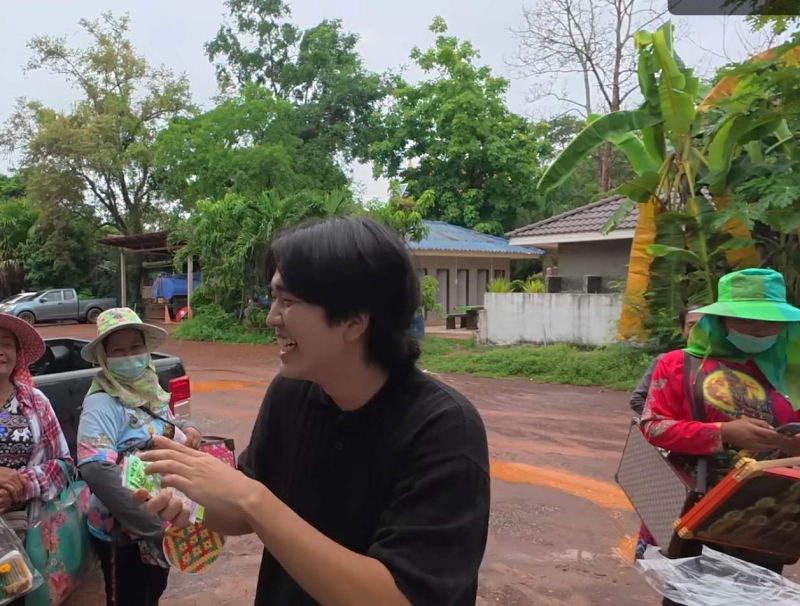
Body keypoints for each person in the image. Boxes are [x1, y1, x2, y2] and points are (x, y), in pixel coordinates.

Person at [135, 216, 491, 606]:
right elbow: (243, 511)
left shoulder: (444, 430)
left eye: (288, 302)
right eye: (273, 299)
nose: (271, 318)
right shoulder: (290, 394)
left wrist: (252, 498)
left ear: (354, 321)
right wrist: (188, 499)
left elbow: (397, 597)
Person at [638, 268, 800, 606]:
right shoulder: (678, 365)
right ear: (722, 320)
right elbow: (653, 427)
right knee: (687, 600)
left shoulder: (792, 373)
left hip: (766, 517)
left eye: (771, 322)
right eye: (747, 320)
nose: (760, 330)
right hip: (696, 511)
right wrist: (723, 432)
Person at [76, 308, 203, 606]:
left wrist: (188, 426)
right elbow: (96, 468)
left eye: (135, 347)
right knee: (128, 598)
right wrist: (152, 524)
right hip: (123, 532)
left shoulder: (149, 389)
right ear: (105, 358)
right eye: (118, 351)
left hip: (161, 518)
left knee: (153, 590)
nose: (129, 356)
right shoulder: (102, 402)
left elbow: (165, 421)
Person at [0, 313, 74, 605]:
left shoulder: (36, 402)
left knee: (15, 596)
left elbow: (64, 464)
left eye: (7, 344)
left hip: (21, 529)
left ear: (17, 354)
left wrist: (20, 485)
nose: (0, 351)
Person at [629, 306, 704, 415]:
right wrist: (664, 421)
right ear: (683, 331)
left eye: (703, 325)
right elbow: (638, 399)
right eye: (691, 325)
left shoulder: (725, 363)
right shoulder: (666, 361)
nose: (697, 330)